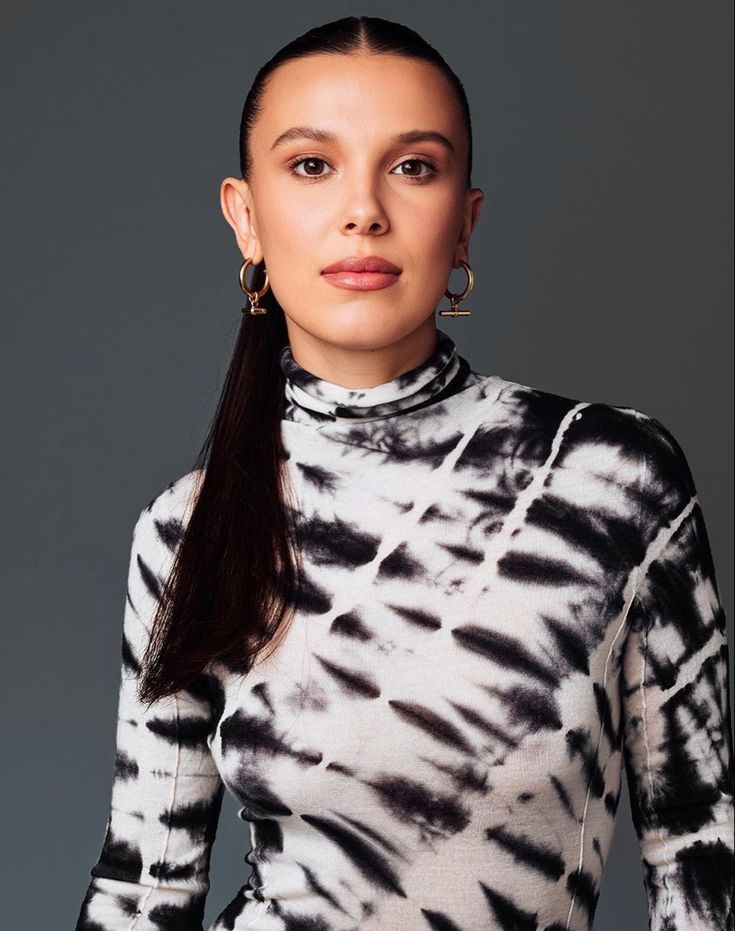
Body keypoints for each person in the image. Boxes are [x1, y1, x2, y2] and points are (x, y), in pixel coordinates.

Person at [74, 15, 734, 931]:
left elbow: (701, 850)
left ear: (464, 220)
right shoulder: (186, 529)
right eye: (311, 165)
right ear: (246, 216)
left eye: (413, 166)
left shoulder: (612, 478)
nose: (363, 210)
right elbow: (144, 887)